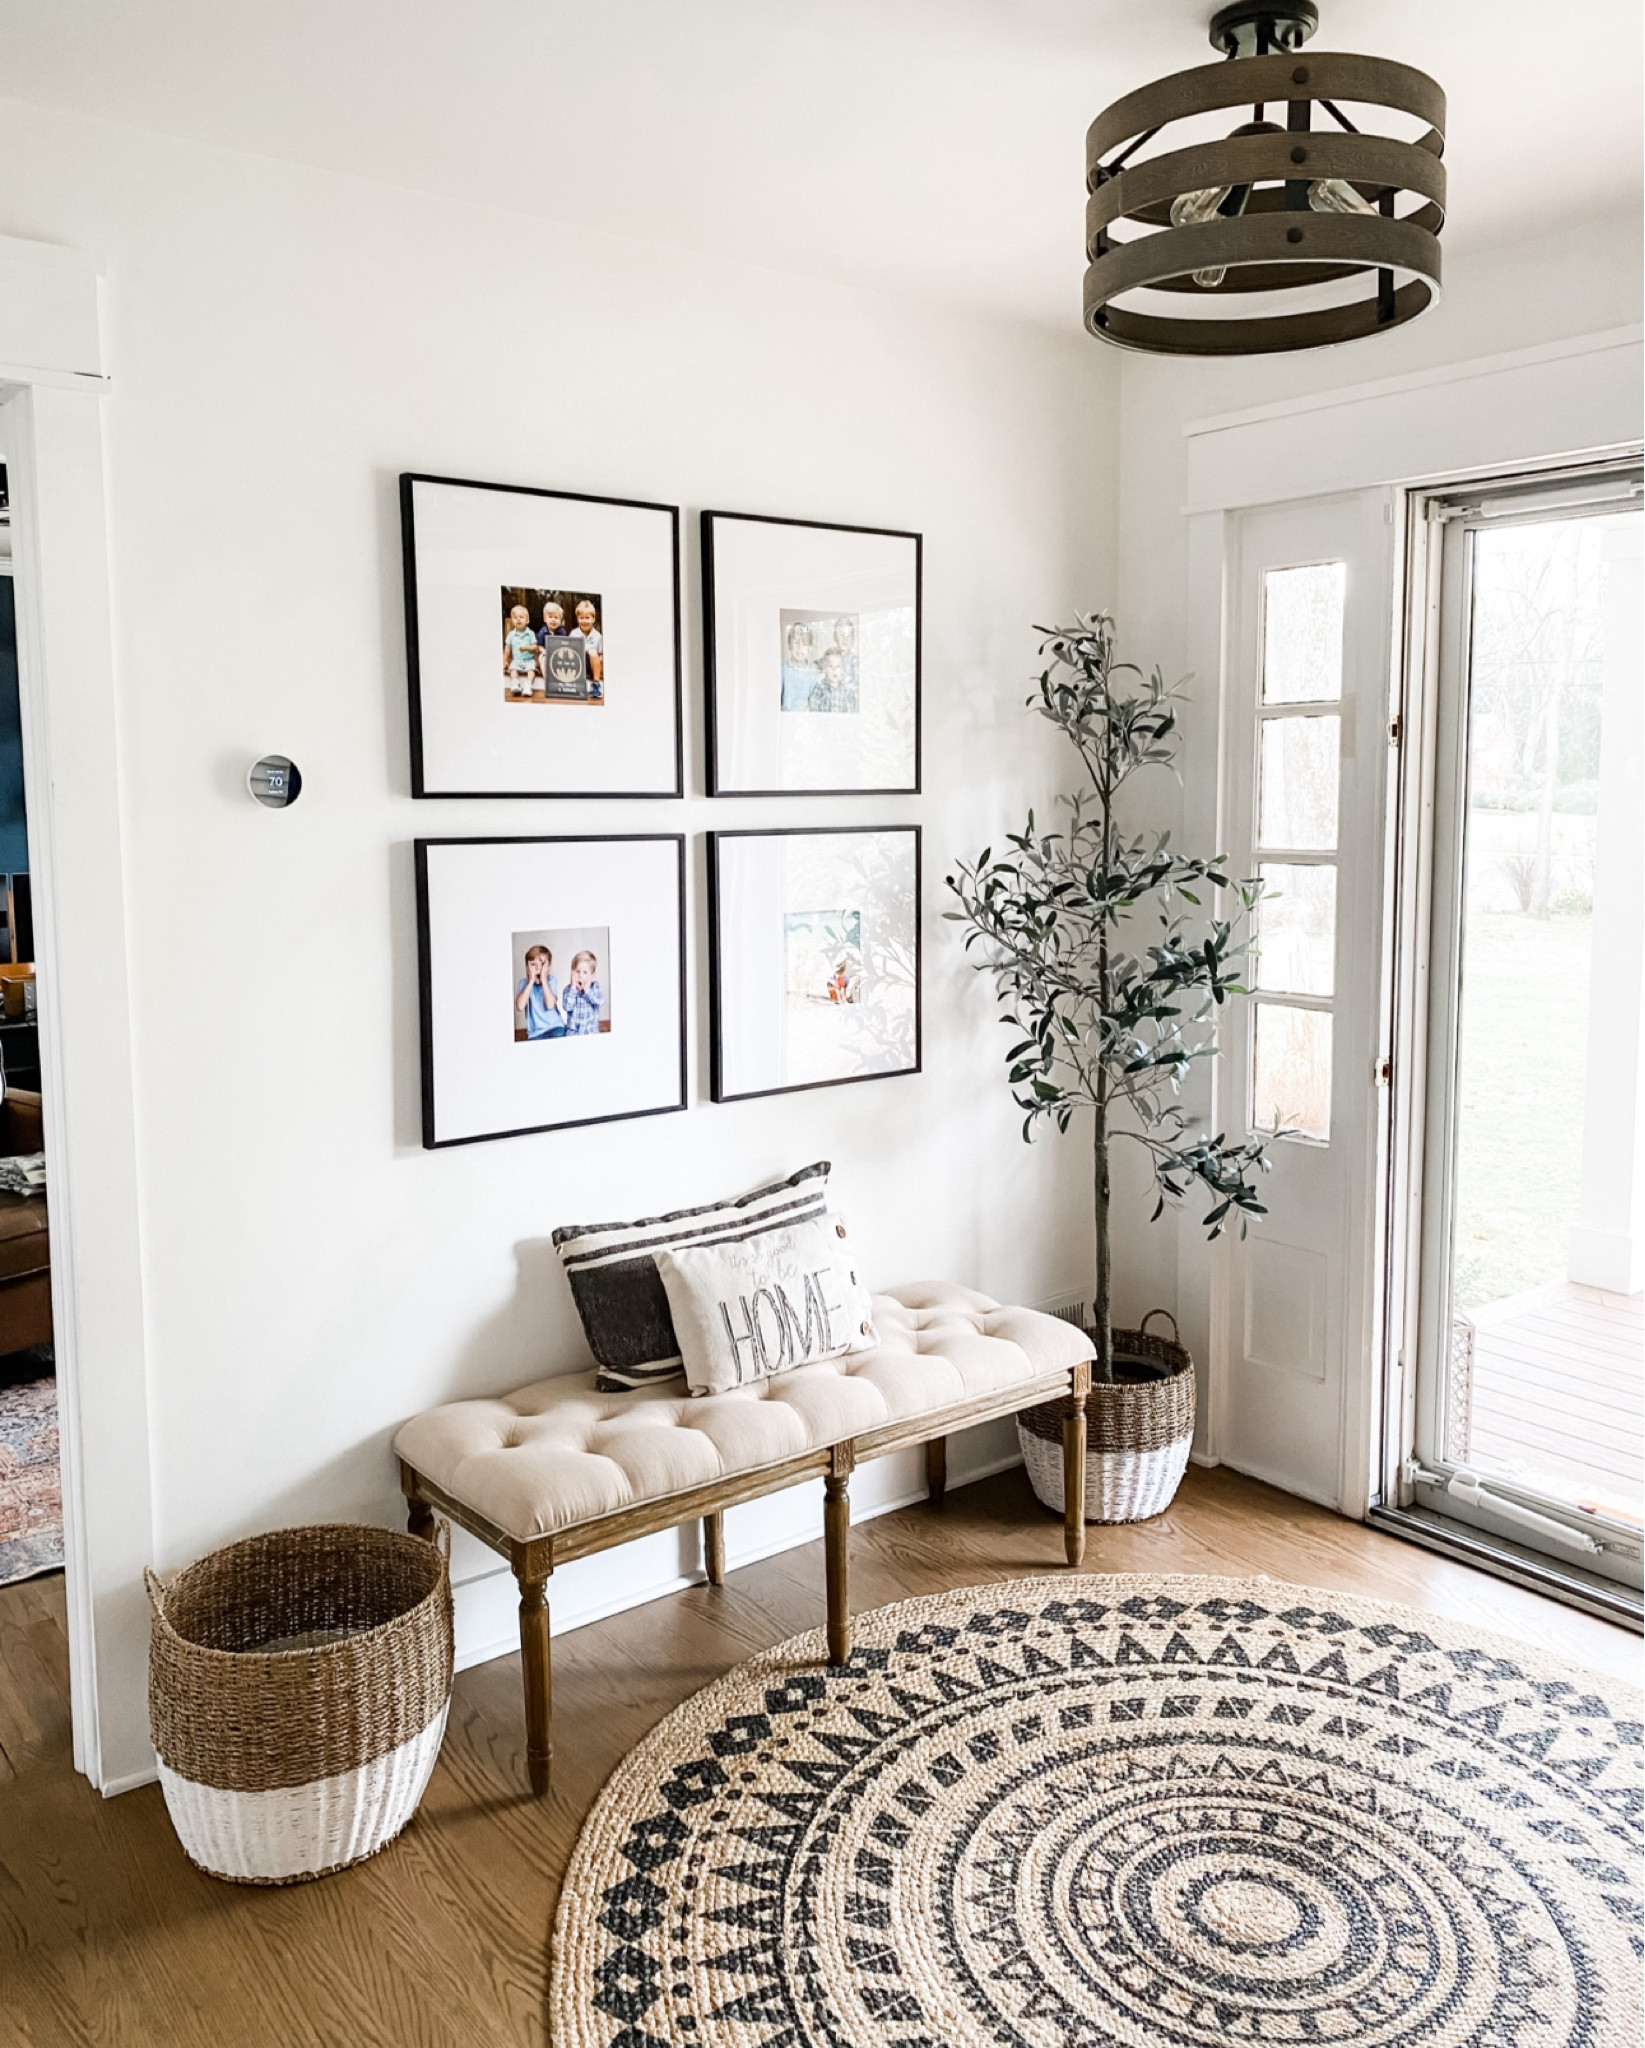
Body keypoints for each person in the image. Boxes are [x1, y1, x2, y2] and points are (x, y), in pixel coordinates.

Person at [514, 944, 563, 1039]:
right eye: (533, 965)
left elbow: (550, 1005)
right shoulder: (524, 983)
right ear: (527, 968)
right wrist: (531, 981)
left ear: (549, 968)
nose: (538, 968)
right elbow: (520, 1006)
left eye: (542, 964)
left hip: (556, 1027)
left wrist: (544, 980)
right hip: (535, 1033)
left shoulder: (551, 980)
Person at [559, 949, 605, 1035]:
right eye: (577, 972)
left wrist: (587, 990)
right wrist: (573, 987)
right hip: (573, 1032)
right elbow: (567, 1007)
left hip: (590, 1031)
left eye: (585, 972)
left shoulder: (594, 987)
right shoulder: (568, 990)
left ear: (592, 976)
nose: (580, 976)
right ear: (572, 973)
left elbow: (600, 1002)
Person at [503, 604, 541, 699]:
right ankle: (515, 684)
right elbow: (507, 648)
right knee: (513, 670)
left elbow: (535, 647)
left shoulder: (530, 633)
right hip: (516, 660)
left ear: (527, 620)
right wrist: (505, 660)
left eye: (521, 617)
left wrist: (526, 648)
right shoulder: (511, 635)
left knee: (531, 671)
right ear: (512, 620)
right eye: (515, 617)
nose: (518, 619)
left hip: (529, 660)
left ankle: (528, 686)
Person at [780, 619, 820, 711]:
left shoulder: (812, 673)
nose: (800, 648)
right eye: (796, 643)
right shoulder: (783, 670)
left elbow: (814, 701)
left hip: (806, 717)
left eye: (804, 644)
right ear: (789, 645)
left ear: (809, 648)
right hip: (786, 715)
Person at [570, 599, 604, 699]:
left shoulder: (598, 636)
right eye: (581, 618)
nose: (584, 621)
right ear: (577, 619)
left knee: (593, 652)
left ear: (593, 619)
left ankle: (596, 685)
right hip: (577, 664)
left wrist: (598, 661)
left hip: (592, 666)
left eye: (587, 618)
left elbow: (601, 655)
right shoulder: (573, 634)